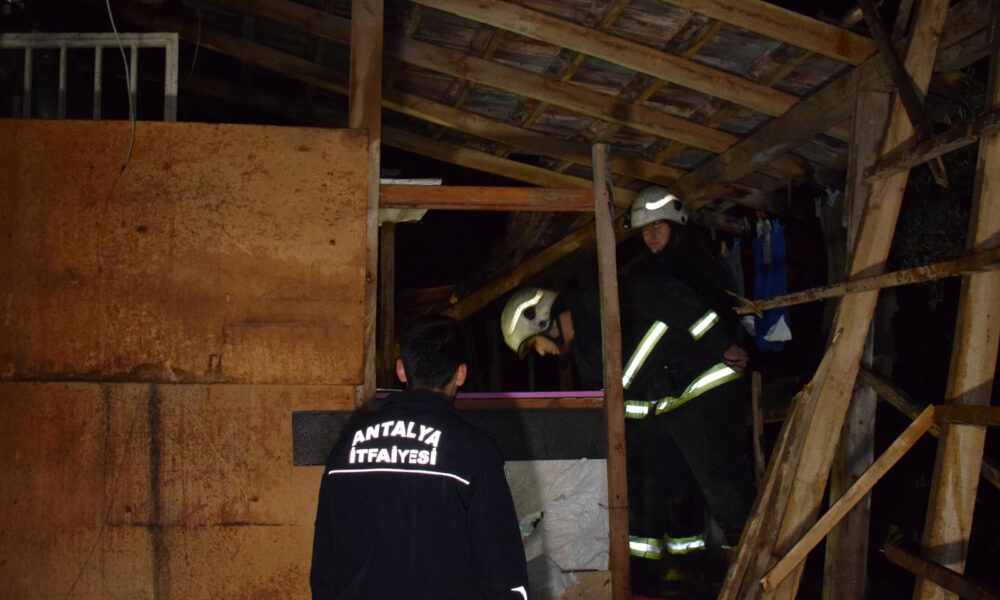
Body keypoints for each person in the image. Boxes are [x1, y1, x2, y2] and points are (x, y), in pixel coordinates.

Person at [501, 276, 755, 588]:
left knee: (726, 492)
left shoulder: (603, 301)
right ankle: (665, 579)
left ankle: (755, 573)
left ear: (545, 322)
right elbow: (627, 403)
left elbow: (674, 297)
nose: (541, 353)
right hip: (670, 405)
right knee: (662, 493)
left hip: (702, 388)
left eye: (534, 345)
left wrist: (721, 343)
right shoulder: (588, 355)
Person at [311, 315, 529, 600]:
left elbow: (324, 566)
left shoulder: (346, 448)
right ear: (461, 374)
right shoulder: (474, 451)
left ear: (401, 370)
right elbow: (502, 569)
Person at [624, 186, 749, 372]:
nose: (651, 235)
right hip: (660, 376)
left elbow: (726, 318)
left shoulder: (703, 269)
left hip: (706, 369)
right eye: (644, 230)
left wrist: (727, 349)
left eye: (657, 226)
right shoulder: (639, 275)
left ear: (675, 227)